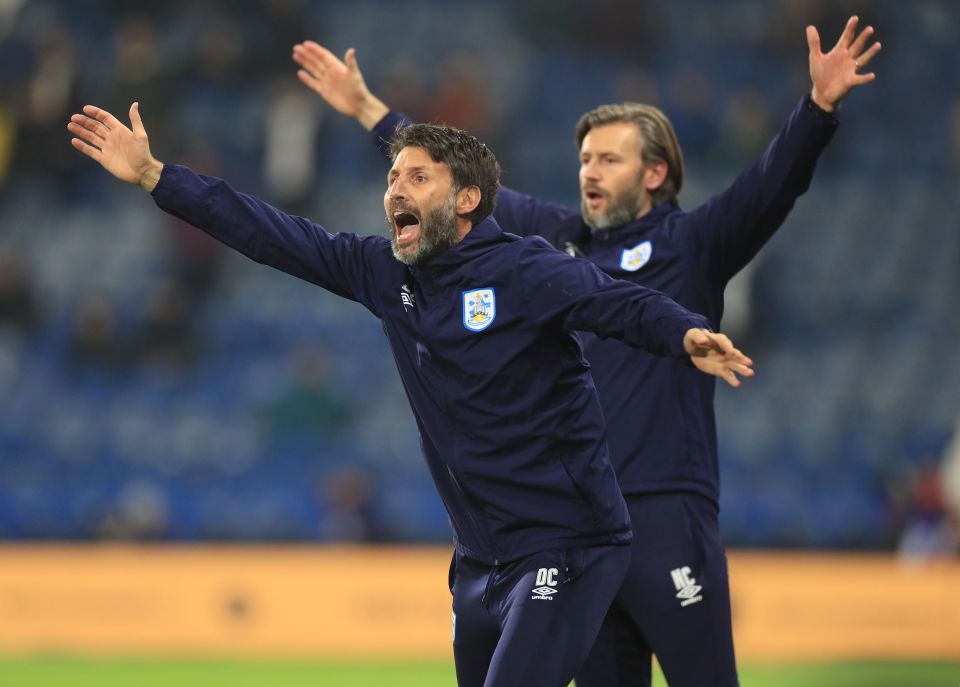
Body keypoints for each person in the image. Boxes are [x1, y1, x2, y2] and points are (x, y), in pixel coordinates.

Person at [67, 100, 752, 686]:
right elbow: (271, 234)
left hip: (568, 545)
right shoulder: (384, 274)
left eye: (418, 176)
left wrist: (685, 333)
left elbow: (618, 303)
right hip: (481, 561)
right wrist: (159, 178)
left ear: (466, 199)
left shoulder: (524, 269)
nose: (395, 188)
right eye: (392, 176)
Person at [291, 14, 879, 687]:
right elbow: (449, 184)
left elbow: (773, 184)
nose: (588, 171)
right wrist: (367, 109)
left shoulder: (695, 243)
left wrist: (817, 108)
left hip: (664, 508)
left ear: (655, 172)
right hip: (577, 525)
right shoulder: (552, 244)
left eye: (608, 158)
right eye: (583, 159)